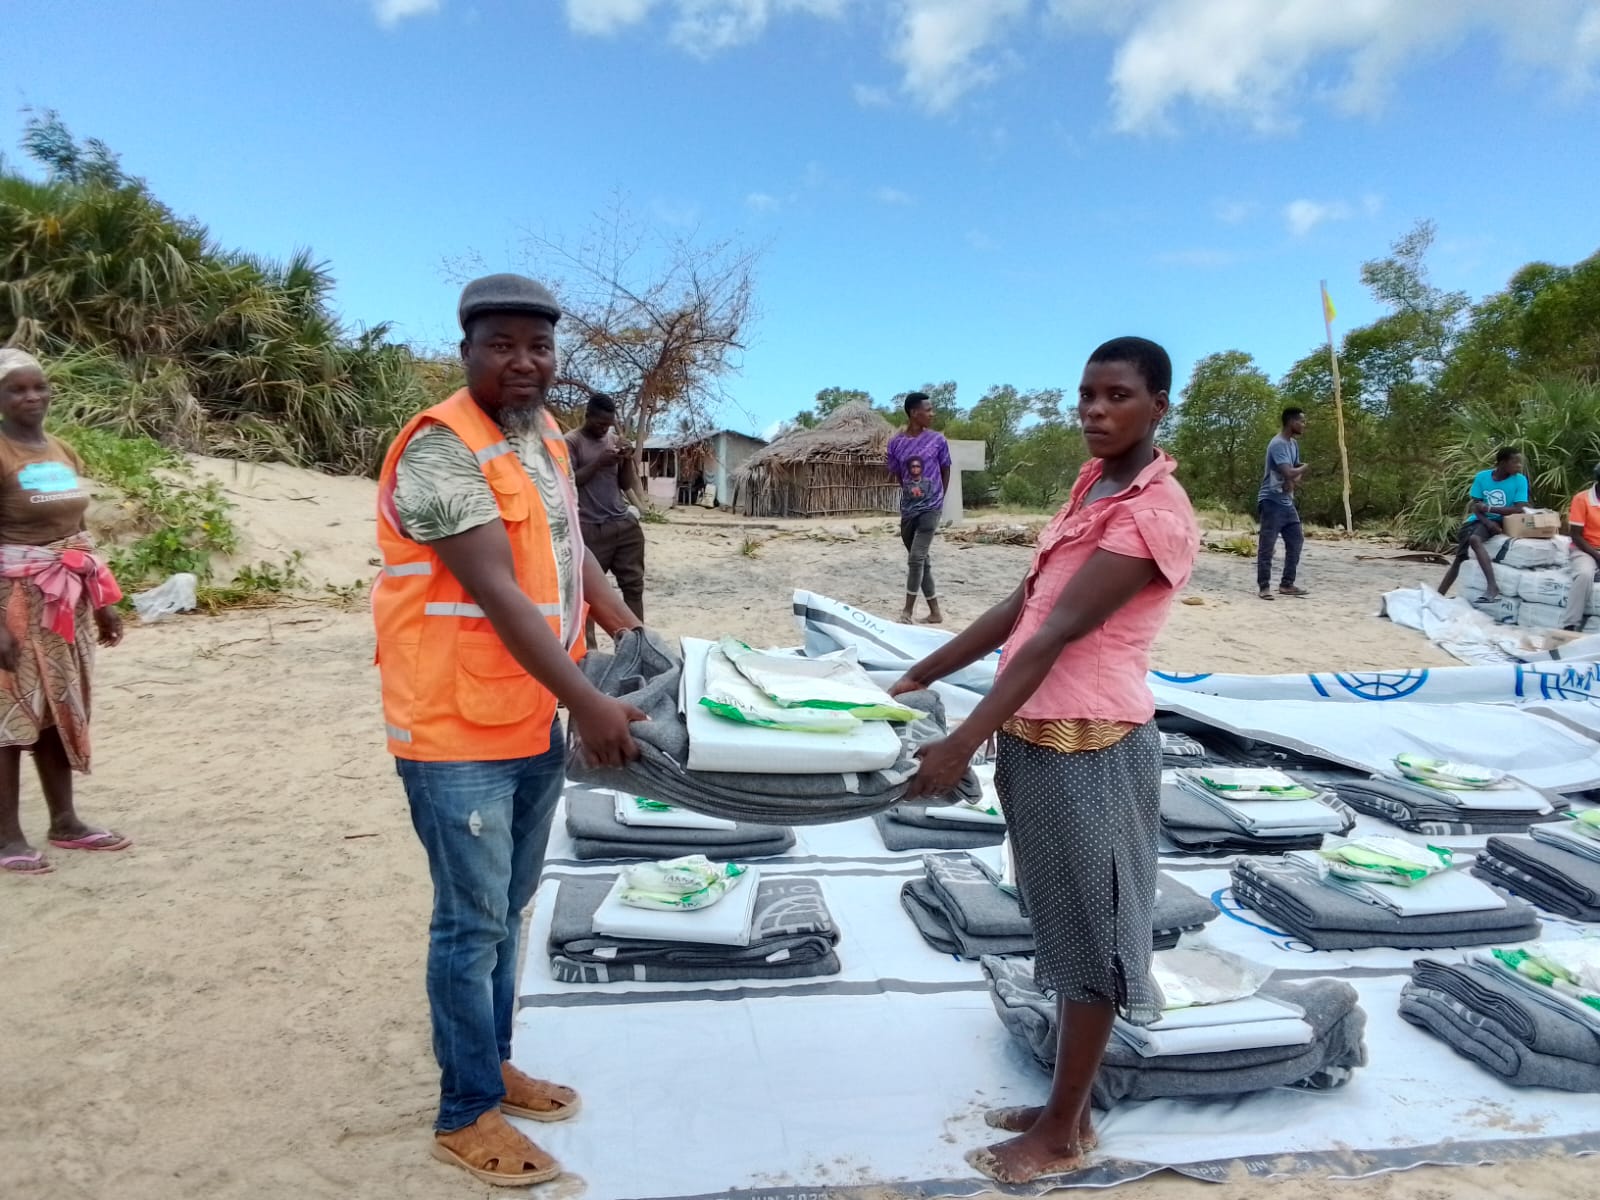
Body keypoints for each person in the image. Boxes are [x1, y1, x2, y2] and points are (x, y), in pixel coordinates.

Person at [889, 337, 1199, 1184]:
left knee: (1092, 938)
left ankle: (1062, 1132)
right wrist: (922, 672)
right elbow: (1026, 603)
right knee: (1061, 925)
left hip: (1093, 745)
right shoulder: (1093, 486)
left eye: (1118, 396)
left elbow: (1058, 633)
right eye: (1087, 395)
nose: (1096, 411)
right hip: (1039, 734)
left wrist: (963, 739)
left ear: (1158, 405)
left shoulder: (1154, 512)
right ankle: (1070, 1107)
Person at [373, 275, 649, 1186]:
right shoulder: (441, 448)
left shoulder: (540, 438)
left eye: (539, 346)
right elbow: (496, 589)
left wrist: (630, 633)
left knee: (510, 910)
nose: (524, 362)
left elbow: (571, 553)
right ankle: (464, 1114)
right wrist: (590, 703)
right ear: (466, 351)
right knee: (470, 923)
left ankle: (492, 1068)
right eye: (502, 345)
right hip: (455, 729)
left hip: (525, 714)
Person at [0, 348, 128, 877]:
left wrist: (102, 604)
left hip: (66, 601)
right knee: (10, 718)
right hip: (13, 603)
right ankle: (7, 836)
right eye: (17, 389)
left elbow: (78, 533)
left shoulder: (61, 449)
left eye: (39, 387)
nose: (31, 397)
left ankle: (66, 822)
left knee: (58, 711)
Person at [565, 393, 646, 645]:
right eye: (600, 423)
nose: (604, 429)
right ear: (587, 416)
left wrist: (626, 459)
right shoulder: (571, 442)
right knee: (588, 593)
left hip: (622, 524)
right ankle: (589, 650)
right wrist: (599, 462)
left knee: (633, 586)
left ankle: (637, 646)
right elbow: (569, 482)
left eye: (608, 425)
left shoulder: (612, 441)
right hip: (589, 528)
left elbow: (625, 484)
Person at [886, 391, 952, 624]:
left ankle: (907, 612)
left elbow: (945, 468)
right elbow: (898, 474)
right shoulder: (896, 444)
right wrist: (910, 496)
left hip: (931, 508)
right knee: (922, 561)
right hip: (909, 510)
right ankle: (935, 613)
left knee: (916, 558)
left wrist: (939, 498)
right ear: (914, 413)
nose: (932, 414)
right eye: (928, 410)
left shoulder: (938, 441)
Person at [1437, 446, 1529, 603]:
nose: (1519, 466)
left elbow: (1519, 508)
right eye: (1515, 462)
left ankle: (1492, 586)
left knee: (1474, 539)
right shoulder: (1482, 477)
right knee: (1461, 557)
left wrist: (1490, 509)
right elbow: (1476, 506)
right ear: (1503, 463)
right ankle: (1439, 595)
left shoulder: (1520, 480)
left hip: (1504, 519)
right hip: (1481, 519)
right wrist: (1487, 521)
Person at [1256, 407, 1308, 600]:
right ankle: (1264, 587)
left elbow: (1294, 473)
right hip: (1271, 501)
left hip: (1287, 502)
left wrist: (1293, 477)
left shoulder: (1293, 444)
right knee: (1267, 545)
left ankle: (1287, 584)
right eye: (1301, 421)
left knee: (1296, 540)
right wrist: (1303, 469)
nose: (1303, 425)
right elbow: (1290, 471)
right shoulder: (1278, 444)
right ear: (1291, 422)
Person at [1562, 464, 1600, 632]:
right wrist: (1597, 556)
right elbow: (1576, 535)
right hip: (1585, 549)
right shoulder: (1582, 499)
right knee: (1584, 575)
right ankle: (1570, 625)